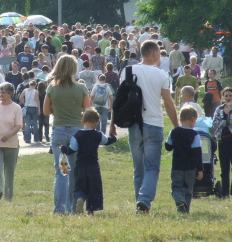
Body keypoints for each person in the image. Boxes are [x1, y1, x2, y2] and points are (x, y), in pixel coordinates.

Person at [110, 40, 178, 214]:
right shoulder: (162, 74)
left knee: (138, 168)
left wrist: (112, 125)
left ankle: (139, 204)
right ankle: (144, 201)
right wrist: (177, 126)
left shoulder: (127, 71)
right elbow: (169, 104)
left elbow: (119, 101)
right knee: (152, 167)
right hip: (154, 124)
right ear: (154, 53)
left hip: (133, 125)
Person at [44, 55, 90, 214]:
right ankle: (72, 206)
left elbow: (45, 111)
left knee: (62, 171)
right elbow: (87, 112)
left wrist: (56, 110)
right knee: (74, 172)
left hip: (59, 134)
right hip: (76, 133)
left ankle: (59, 208)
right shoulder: (81, 88)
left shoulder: (52, 88)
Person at [60, 108, 116, 214]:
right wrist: (114, 136)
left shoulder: (77, 136)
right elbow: (108, 141)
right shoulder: (98, 135)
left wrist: (64, 149)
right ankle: (91, 210)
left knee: (79, 187)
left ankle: (79, 199)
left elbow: (72, 149)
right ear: (96, 123)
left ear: (82, 122)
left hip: (80, 167)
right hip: (93, 167)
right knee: (93, 189)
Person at [164, 106, 203, 213]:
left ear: (180, 120)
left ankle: (179, 200)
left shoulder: (174, 132)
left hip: (177, 166)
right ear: (193, 120)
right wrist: (200, 169)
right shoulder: (194, 134)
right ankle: (185, 210)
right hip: (190, 168)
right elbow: (197, 153)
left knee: (176, 188)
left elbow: (168, 147)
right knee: (188, 190)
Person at [213, 87, 232, 198]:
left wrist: (229, 113)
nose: (228, 98)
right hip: (223, 140)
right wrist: (228, 122)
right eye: (226, 96)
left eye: (230, 95)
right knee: (224, 167)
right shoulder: (219, 109)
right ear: (222, 97)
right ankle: (224, 192)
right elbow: (215, 123)